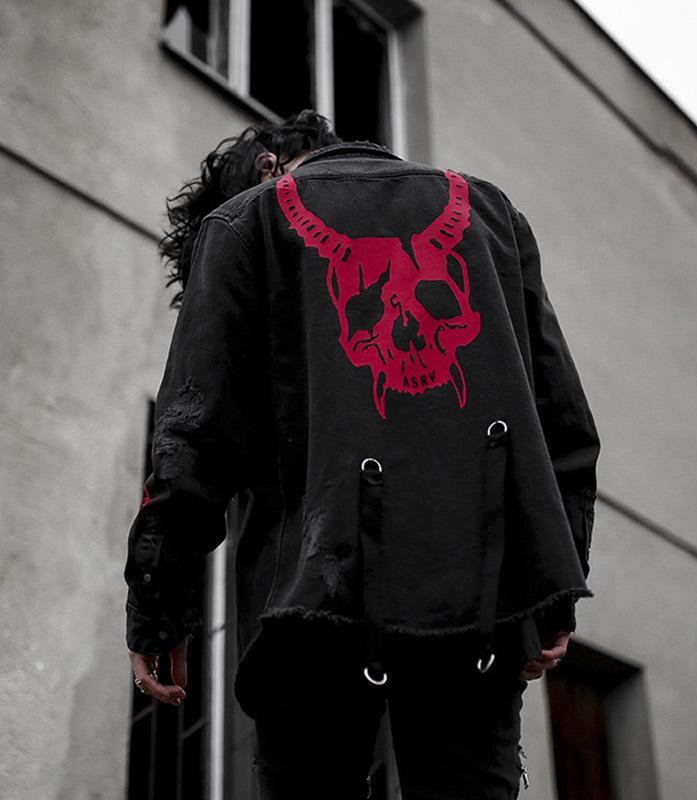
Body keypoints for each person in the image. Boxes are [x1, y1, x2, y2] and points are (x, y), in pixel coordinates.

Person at [124, 109, 601, 799]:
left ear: (267, 166)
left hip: (309, 609)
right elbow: (564, 426)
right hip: (477, 607)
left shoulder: (246, 222)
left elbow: (192, 436)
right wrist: (554, 585)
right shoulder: (490, 213)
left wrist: (158, 605)